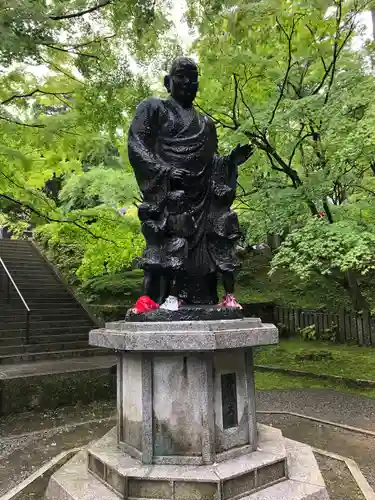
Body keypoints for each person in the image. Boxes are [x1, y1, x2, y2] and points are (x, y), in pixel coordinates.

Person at [128, 56, 253, 310]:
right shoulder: (154, 109)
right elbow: (136, 144)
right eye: (181, 77)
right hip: (172, 196)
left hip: (202, 198)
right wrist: (164, 171)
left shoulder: (206, 124)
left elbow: (212, 162)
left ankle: (212, 298)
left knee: (211, 252)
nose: (187, 83)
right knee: (171, 247)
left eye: (193, 78)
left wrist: (230, 163)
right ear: (167, 81)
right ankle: (162, 298)